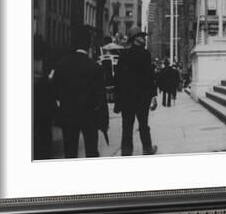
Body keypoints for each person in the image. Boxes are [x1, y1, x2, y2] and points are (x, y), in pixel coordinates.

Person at [52, 28, 106, 158]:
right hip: (90, 116)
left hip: (68, 115)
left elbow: (55, 92)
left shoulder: (61, 65)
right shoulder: (95, 67)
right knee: (92, 151)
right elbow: (100, 96)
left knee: (70, 152)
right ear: (88, 45)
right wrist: (104, 121)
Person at [114, 26, 158, 156]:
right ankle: (147, 148)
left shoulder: (123, 55)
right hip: (142, 98)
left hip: (127, 98)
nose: (144, 38)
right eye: (142, 36)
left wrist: (118, 100)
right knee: (143, 125)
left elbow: (118, 79)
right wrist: (153, 96)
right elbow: (150, 78)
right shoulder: (145, 54)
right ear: (136, 39)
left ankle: (126, 151)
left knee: (127, 127)